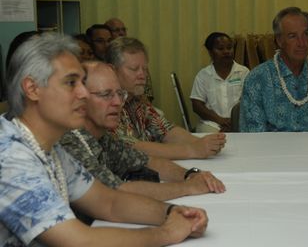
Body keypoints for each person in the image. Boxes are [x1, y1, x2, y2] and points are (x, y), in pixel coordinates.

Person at [0, 33, 208, 246]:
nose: (83, 93)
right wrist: (167, 233)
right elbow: (79, 241)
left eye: (82, 82)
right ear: (32, 89)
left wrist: (173, 213)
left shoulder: (50, 147)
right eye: (71, 83)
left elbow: (109, 202)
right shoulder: (10, 156)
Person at [60, 61, 225, 201]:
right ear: (80, 98)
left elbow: (146, 161)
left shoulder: (103, 137)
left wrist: (190, 174)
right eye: (106, 95)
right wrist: (187, 188)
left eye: (120, 94)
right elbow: (116, 192)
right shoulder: (70, 142)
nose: (118, 102)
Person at [105, 37, 227, 160]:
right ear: (112, 70)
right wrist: (192, 150)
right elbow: (129, 147)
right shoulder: (105, 103)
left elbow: (165, 130)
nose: (143, 75)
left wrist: (201, 143)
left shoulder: (137, 98)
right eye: (134, 69)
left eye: (145, 69)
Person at [239, 7, 308, 132]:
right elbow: (253, 136)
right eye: (293, 36)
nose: (302, 43)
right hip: (273, 150)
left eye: (306, 34)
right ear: (279, 41)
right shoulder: (257, 79)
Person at [190, 32, 250, 132]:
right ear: (210, 52)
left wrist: (235, 123)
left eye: (229, 47)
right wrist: (220, 120)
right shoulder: (203, 75)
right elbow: (197, 106)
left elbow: (251, 102)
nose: (226, 52)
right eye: (221, 49)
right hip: (211, 124)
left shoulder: (244, 72)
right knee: (212, 141)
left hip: (241, 123)